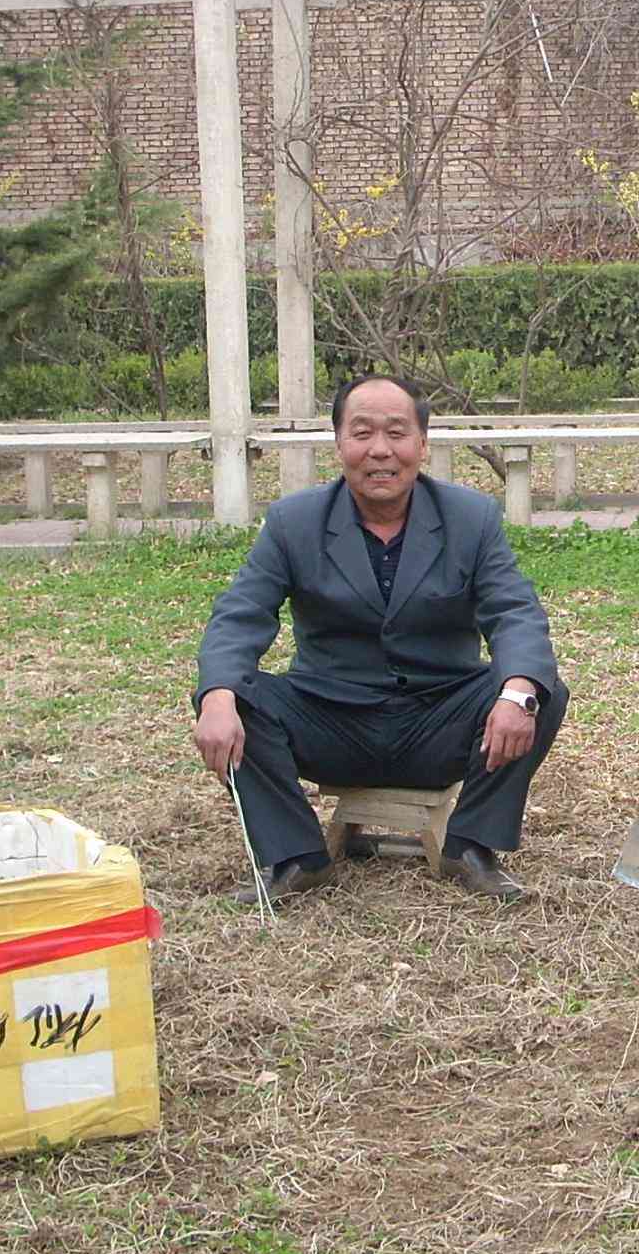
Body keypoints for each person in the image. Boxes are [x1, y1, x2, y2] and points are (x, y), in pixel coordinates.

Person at [193, 375, 563, 904]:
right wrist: (218, 696)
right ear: (339, 443)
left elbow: (515, 612)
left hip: (441, 719)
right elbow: (240, 614)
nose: (380, 450)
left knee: (538, 690)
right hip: (330, 719)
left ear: (422, 444)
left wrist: (518, 694)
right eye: (362, 432)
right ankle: (297, 856)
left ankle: (471, 846)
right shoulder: (293, 522)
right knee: (230, 694)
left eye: (397, 432)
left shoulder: (471, 518)